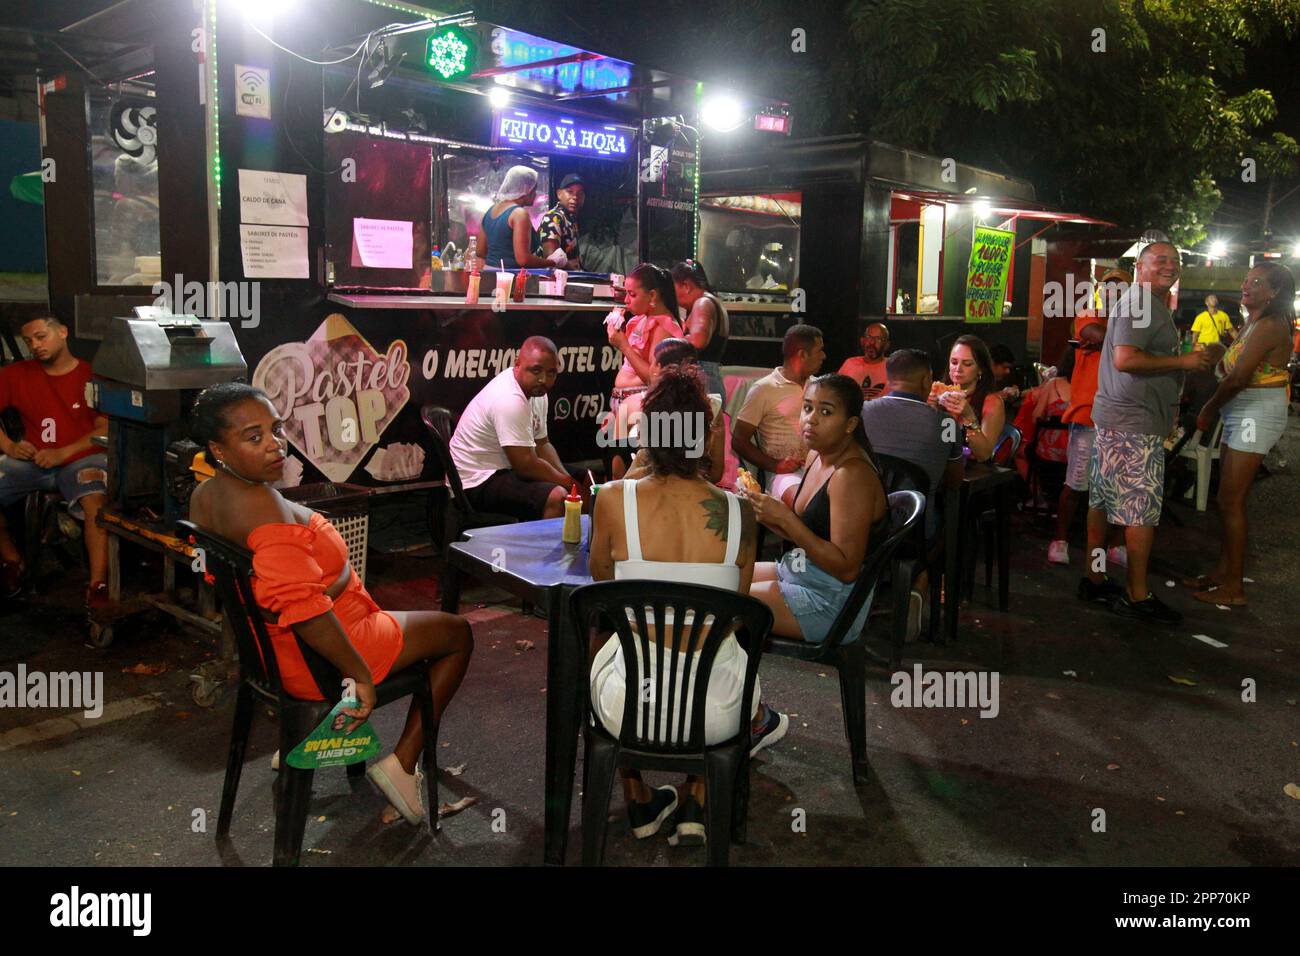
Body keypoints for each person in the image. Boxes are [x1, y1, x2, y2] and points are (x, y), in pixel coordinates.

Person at [188, 382, 472, 825]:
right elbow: (302, 609)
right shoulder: (263, 510)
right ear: (217, 448)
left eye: (276, 430)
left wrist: (336, 580)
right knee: (457, 633)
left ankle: (311, 734)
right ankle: (403, 763)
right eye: (253, 437)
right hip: (325, 654)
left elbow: (254, 590)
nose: (274, 446)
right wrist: (359, 676)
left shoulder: (207, 495)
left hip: (270, 651)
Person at [587, 364, 768, 846]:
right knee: (727, 651)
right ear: (706, 435)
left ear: (648, 431)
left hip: (629, 706)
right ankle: (697, 800)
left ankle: (638, 796)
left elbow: (602, 586)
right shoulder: (741, 513)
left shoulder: (610, 500)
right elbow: (737, 608)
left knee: (601, 644)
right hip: (717, 710)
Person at [1081, 241, 1216, 624]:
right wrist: (1183, 361)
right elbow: (1126, 359)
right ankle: (1137, 595)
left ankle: (1093, 577)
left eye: (1176, 261)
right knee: (1139, 511)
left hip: (1117, 417)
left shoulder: (1146, 303)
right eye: (1160, 260)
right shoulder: (1140, 303)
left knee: (1103, 502)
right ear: (1140, 267)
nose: (1170, 266)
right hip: (1133, 422)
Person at [746, 373, 888, 647]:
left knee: (724, 602)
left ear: (850, 424)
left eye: (825, 412)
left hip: (831, 601)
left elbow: (846, 569)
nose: (811, 418)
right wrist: (763, 510)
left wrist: (786, 518)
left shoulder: (851, 475)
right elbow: (806, 529)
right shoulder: (816, 455)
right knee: (720, 576)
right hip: (803, 571)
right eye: (808, 407)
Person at [1184, 263, 1295, 607]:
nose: (1247, 286)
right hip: (1244, 410)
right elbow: (1230, 368)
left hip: (1255, 412)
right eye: (1247, 280)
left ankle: (1234, 587)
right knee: (1226, 499)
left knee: (1231, 501)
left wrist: (1208, 409)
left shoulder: (1271, 325)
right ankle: (1223, 573)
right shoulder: (1253, 322)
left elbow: (1237, 379)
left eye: (1256, 282)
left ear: (1274, 291)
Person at [0, 315, 110, 607]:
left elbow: (105, 428)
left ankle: (98, 584)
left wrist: (64, 452)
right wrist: (9, 446)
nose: (35, 346)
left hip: (80, 458)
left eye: (40, 337)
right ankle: (11, 560)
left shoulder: (91, 375)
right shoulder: (16, 374)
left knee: (95, 500)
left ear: (62, 332)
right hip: (33, 460)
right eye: (28, 341)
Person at [450, 336, 581, 521]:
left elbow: (543, 445)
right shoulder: (509, 398)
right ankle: (540, 549)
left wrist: (570, 480)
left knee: (586, 478)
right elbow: (525, 466)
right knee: (557, 497)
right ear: (517, 364)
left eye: (551, 373)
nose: (544, 379)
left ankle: (582, 543)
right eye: (536, 370)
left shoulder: (537, 392)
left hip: (504, 468)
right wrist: (568, 484)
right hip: (475, 481)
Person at [860, 348, 963, 540]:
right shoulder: (948, 424)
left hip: (863, 525)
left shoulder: (862, 412)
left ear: (888, 379)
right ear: (926, 380)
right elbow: (954, 480)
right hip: (917, 529)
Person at [1047, 320, 1125, 567]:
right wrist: (1125, 340)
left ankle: (1114, 545)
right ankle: (1060, 540)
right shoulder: (1091, 316)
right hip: (1087, 416)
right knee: (1076, 484)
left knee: (1118, 488)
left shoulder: (1129, 321)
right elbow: (1090, 331)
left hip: (1121, 417)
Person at [732, 324, 826, 504]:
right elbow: (738, 440)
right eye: (819, 350)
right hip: (783, 475)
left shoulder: (818, 387)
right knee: (805, 503)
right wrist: (775, 465)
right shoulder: (764, 388)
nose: (824, 356)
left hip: (818, 468)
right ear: (802, 354)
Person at [605, 264, 683, 478]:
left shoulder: (665, 327)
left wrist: (624, 346)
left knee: (629, 475)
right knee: (613, 468)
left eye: (632, 294)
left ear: (653, 295)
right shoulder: (640, 320)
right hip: (622, 405)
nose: (626, 301)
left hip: (640, 408)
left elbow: (653, 378)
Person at [620, 338, 726, 486]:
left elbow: (617, 465)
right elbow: (715, 473)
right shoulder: (713, 406)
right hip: (696, 493)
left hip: (646, 492)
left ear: (657, 366)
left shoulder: (634, 405)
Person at [932, 335, 1007, 463]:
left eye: (967, 364)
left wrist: (969, 417)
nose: (958, 369)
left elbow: (984, 455)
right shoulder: (936, 393)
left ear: (980, 369)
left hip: (971, 471)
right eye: (954, 362)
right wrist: (929, 410)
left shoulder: (992, 403)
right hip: (938, 464)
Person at [480, 165, 565, 271]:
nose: (535, 195)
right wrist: (553, 262)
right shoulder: (519, 214)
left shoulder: (490, 211)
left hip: (487, 274)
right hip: (510, 277)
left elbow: (480, 251)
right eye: (534, 190)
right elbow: (523, 259)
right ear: (526, 189)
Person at [670, 259, 729, 400]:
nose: (672, 296)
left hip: (703, 384)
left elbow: (698, 341)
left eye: (673, 288)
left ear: (686, 286)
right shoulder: (710, 302)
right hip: (707, 381)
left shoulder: (702, 303)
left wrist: (669, 340)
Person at [537, 173, 584, 270]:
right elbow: (553, 257)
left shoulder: (570, 219)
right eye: (570, 192)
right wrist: (575, 271)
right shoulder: (553, 217)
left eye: (579, 193)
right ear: (559, 194)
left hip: (568, 278)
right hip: (553, 281)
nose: (575, 197)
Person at [837, 322, 890, 400]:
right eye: (869, 337)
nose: (872, 342)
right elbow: (836, 393)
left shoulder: (894, 367)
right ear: (862, 341)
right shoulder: (850, 363)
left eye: (878, 339)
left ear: (886, 345)